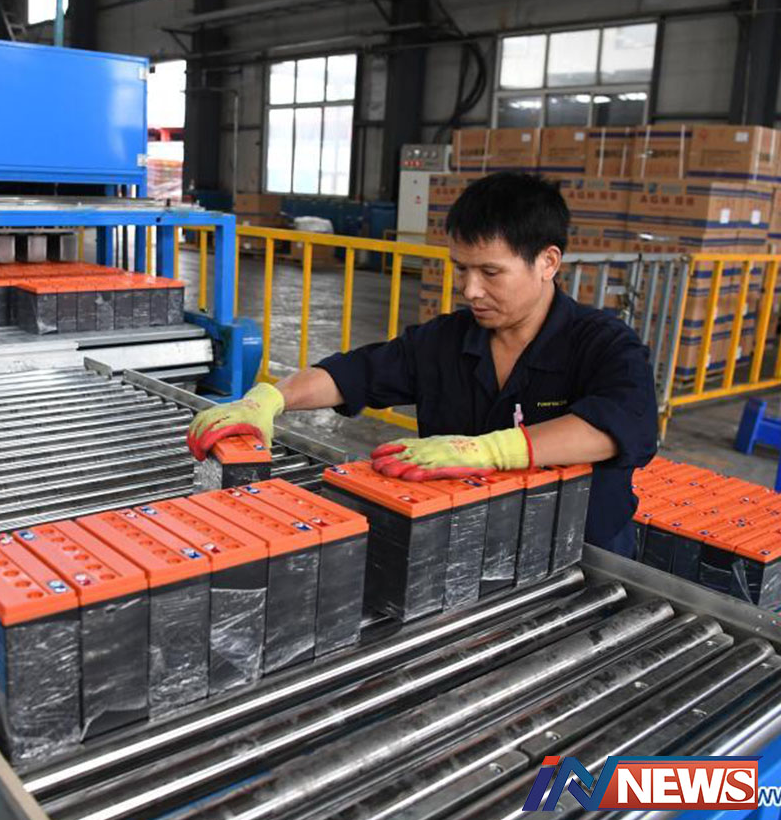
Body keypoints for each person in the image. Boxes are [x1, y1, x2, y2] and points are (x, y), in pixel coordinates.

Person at [187, 171, 658, 557]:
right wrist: (270, 398)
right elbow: (355, 373)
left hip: (581, 557)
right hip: (462, 547)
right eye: (461, 268)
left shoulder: (603, 343)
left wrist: (491, 451)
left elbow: (624, 425)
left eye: (490, 272)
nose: (470, 289)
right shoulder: (446, 340)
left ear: (548, 262)